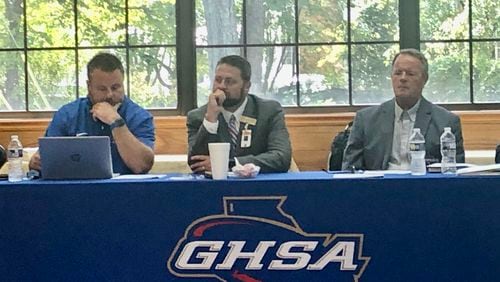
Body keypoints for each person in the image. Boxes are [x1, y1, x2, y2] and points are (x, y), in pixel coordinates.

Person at [29, 52, 155, 174]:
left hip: (125, 191)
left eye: (116, 87)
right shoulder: (67, 115)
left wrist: (116, 121)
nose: (109, 94)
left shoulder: (139, 117)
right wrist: (36, 163)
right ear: (89, 86)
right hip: (74, 190)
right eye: (102, 89)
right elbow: (47, 158)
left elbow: (141, 166)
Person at [342, 48, 465, 171]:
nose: (403, 78)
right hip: (379, 186)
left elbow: (455, 173)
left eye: (410, 74)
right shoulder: (366, 120)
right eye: (398, 73)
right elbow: (350, 169)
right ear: (391, 77)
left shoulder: (446, 122)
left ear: (424, 79)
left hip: (424, 186)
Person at [187, 55, 291, 173]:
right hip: (215, 188)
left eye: (229, 82)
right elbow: (196, 163)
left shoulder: (268, 111)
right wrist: (210, 120)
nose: (221, 86)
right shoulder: (198, 116)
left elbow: (281, 157)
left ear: (246, 86)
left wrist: (231, 164)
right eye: (218, 80)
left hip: (258, 187)